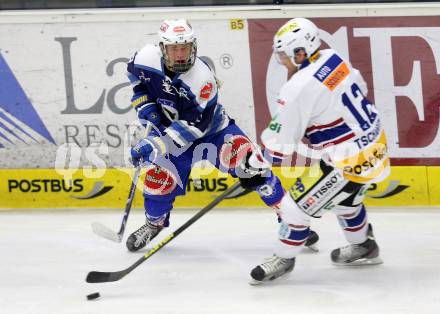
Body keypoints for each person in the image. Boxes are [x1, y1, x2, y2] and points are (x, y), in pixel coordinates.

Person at [124, 19, 319, 253]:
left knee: (255, 169)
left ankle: (291, 221)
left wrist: (155, 145)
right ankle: (154, 223)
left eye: (185, 47)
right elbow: (136, 79)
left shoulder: (201, 79)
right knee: (158, 181)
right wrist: (146, 107)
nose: (180, 54)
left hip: (213, 133)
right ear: (163, 48)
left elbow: (196, 127)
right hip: (169, 132)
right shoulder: (145, 58)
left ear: (193, 46)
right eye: (174, 48)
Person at [249, 18, 390, 284]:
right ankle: (364, 246)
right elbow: (360, 87)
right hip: (375, 144)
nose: (281, 61)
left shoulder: (297, 87)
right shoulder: (332, 57)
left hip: (348, 160)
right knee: (346, 202)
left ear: (300, 52)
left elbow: (282, 140)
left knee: (293, 207)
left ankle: (283, 257)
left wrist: (257, 167)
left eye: (283, 55)